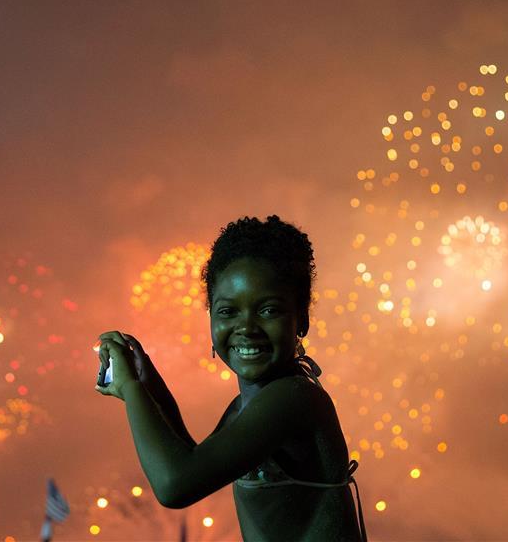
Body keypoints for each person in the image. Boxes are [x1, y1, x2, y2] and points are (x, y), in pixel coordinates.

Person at [95, 215, 367, 541]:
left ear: (302, 320)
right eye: (228, 311)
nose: (247, 328)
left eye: (268, 310)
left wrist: (130, 388)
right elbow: (191, 461)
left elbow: (175, 485)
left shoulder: (293, 399)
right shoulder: (248, 406)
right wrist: (148, 385)